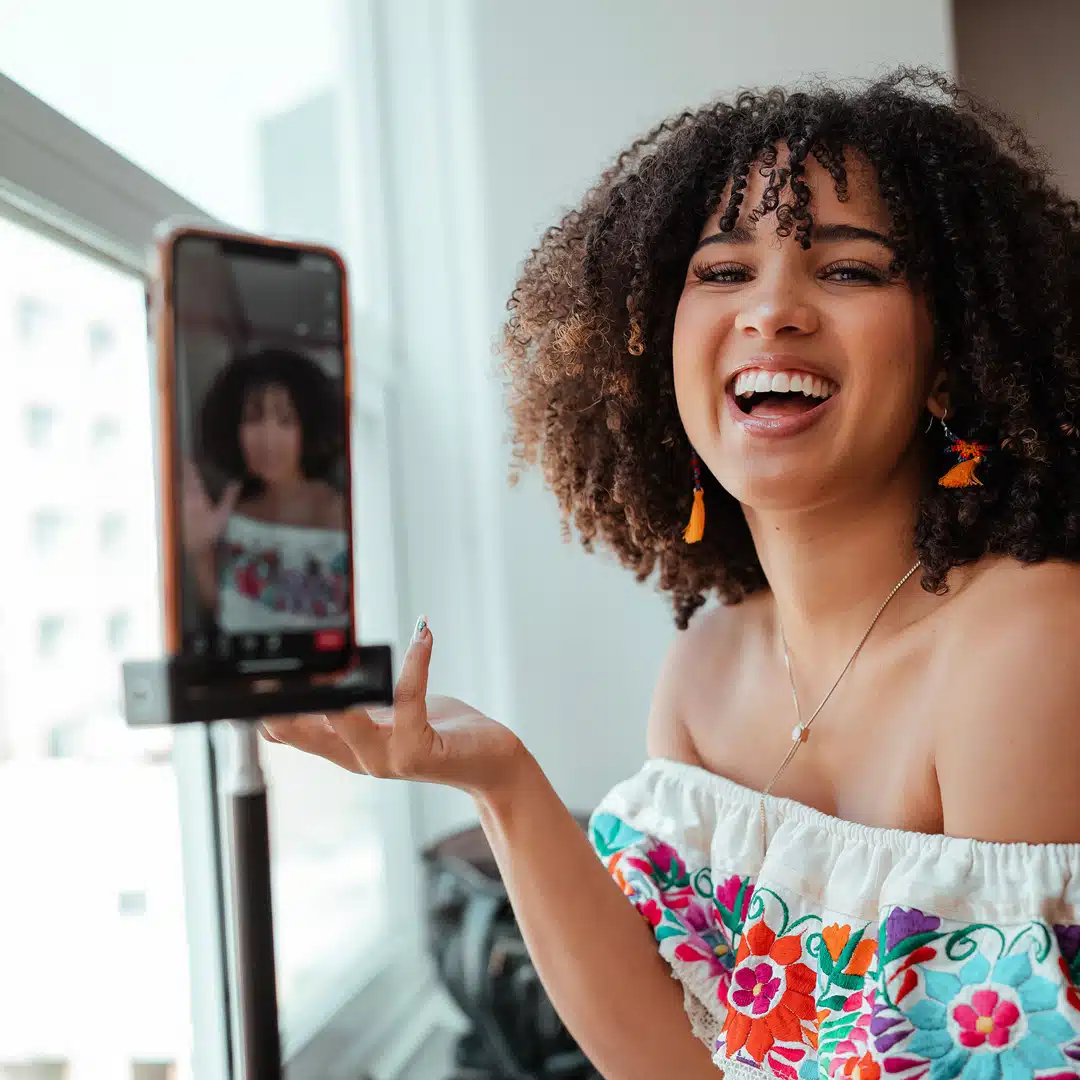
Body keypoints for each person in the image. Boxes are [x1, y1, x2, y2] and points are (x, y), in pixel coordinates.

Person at [263, 68, 1080, 1079]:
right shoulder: (706, 665)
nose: (771, 310)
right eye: (724, 272)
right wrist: (499, 780)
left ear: (956, 358)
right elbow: (672, 1063)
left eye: (851, 271)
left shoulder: (1035, 642)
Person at [183, 346, 349, 632]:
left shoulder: (345, 513)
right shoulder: (227, 516)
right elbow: (225, 611)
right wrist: (199, 551)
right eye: (253, 418)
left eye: (286, 420)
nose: (268, 437)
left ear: (308, 429)